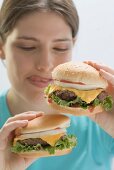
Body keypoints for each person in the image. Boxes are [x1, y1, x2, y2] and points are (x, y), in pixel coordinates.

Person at [0, 0, 114, 170]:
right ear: (2, 47)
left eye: (60, 48)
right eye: (28, 47)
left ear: (72, 46)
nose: (46, 64)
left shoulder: (103, 121)